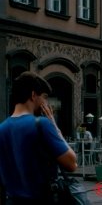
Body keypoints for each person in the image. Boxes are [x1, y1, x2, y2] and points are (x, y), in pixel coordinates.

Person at [0, 71, 77, 203]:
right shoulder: (41, 124)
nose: (46, 103)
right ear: (33, 95)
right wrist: (54, 125)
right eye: (44, 97)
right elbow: (72, 163)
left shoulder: (2, 128)